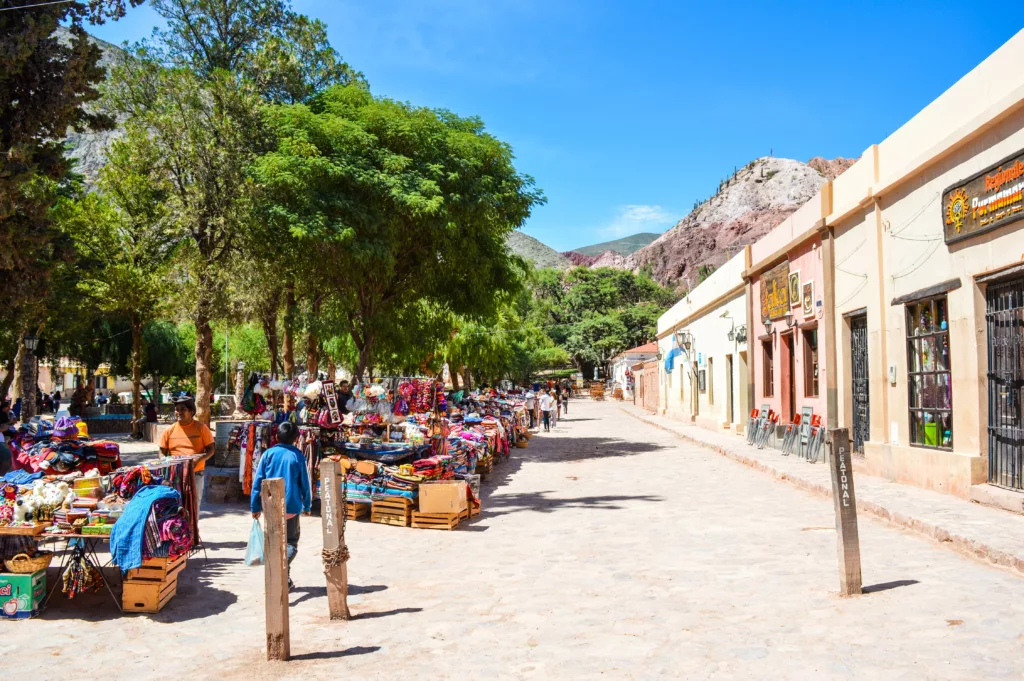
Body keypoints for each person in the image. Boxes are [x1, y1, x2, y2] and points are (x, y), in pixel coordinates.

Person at [250, 421, 311, 590]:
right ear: (297, 438)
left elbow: (257, 482)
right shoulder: (297, 455)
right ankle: (280, 570)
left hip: (270, 507)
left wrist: (255, 507)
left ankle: (284, 576)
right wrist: (307, 505)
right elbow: (305, 484)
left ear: (276, 437)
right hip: (291, 507)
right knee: (291, 543)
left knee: (275, 541)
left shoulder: (268, 454)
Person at [159, 397, 215, 510]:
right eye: (177, 409)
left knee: (193, 507)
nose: (178, 412)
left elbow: (211, 450)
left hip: (196, 474)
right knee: (175, 505)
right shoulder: (169, 431)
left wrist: (198, 460)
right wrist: (166, 463)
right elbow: (162, 452)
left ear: (191, 412)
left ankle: (192, 528)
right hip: (174, 475)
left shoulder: (201, 428)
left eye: (182, 409)